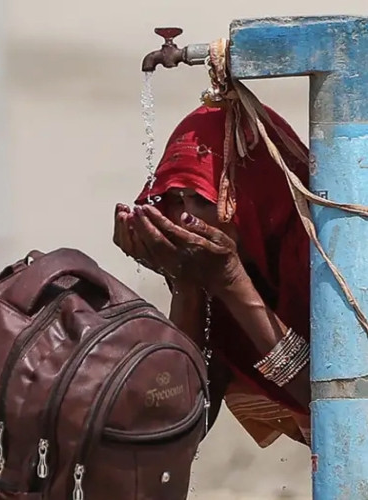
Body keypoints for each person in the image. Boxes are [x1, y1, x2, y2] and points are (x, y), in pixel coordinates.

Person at [113, 104, 311, 448]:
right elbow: (177, 426)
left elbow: (336, 403)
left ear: (255, 196)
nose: (185, 215)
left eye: (201, 198)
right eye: (174, 198)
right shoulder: (213, 271)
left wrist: (231, 282)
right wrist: (187, 285)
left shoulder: (332, 254)